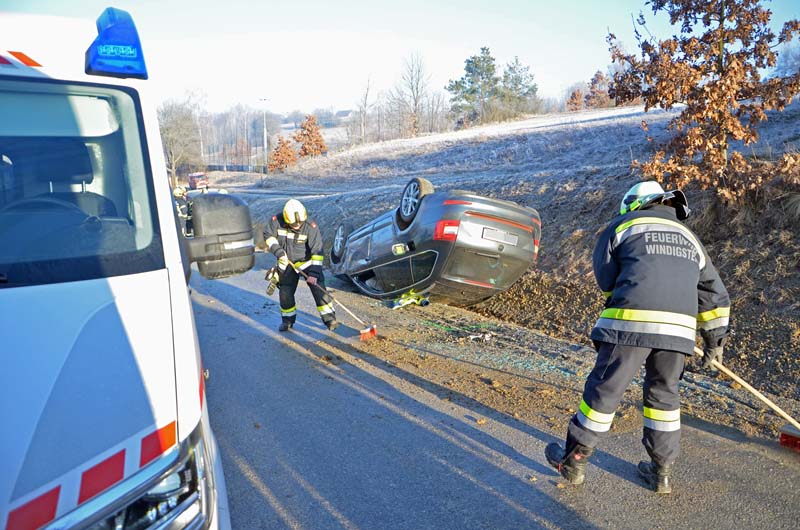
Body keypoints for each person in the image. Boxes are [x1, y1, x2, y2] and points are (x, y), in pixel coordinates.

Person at [544, 181, 730, 494]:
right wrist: (714, 342)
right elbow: (714, 292)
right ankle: (661, 472)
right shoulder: (690, 237)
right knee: (664, 397)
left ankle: (575, 460)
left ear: (635, 203)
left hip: (630, 323)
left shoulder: (623, 226)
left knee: (606, 390)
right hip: (678, 331)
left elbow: (606, 277)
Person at [263, 199, 338, 332]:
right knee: (285, 292)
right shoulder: (276, 221)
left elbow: (318, 252)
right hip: (287, 263)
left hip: (307, 263)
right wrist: (279, 253)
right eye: (293, 224)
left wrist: (314, 274)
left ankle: (330, 320)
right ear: (286, 219)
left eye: (300, 223)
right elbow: (268, 235)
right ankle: (287, 321)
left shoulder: (310, 226)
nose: (297, 225)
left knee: (319, 290)